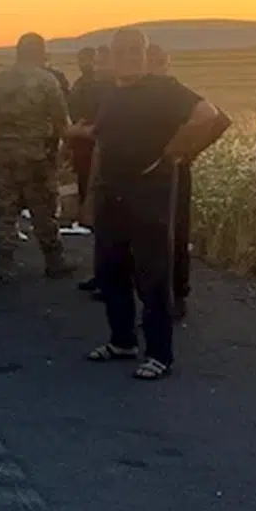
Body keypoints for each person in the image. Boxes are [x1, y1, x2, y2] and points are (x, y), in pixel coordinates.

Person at [85, 27, 221, 380]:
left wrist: (177, 150)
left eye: (135, 50)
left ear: (146, 54)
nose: (128, 56)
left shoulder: (165, 89)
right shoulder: (111, 94)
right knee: (109, 269)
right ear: (111, 55)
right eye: (121, 50)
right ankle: (122, 341)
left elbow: (209, 115)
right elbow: (101, 143)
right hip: (110, 193)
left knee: (153, 274)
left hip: (150, 195)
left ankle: (160, 353)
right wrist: (89, 198)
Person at [144, 41, 230, 320]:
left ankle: (176, 295)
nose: (153, 66)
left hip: (170, 172)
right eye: (151, 60)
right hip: (153, 172)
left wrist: (186, 152)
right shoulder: (144, 93)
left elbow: (219, 120)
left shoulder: (172, 91)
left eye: (157, 61)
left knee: (173, 233)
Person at [0, 33, 74, 280]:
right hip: (37, 156)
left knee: (5, 211)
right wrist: (66, 148)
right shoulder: (47, 80)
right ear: (40, 52)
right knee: (44, 210)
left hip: (3, 155)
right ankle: (54, 261)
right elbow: (60, 119)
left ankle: (5, 265)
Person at [67, 47, 104, 206]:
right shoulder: (79, 84)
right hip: (80, 140)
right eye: (82, 60)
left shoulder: (102, 84)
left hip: (95, 139)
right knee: (84, 181)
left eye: (88, 60)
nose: (84, 64)